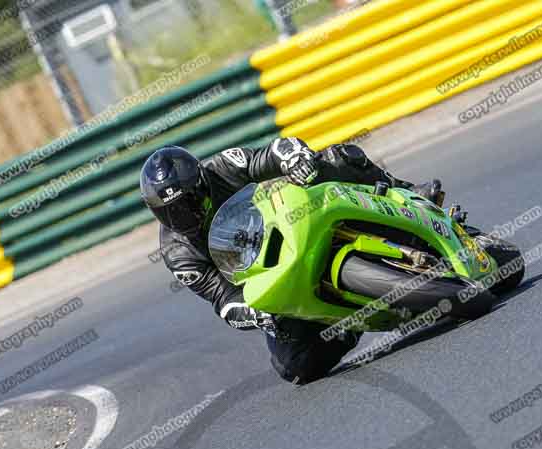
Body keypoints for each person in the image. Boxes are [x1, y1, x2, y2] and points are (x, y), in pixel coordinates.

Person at [140, 137, 442, 384]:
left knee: (336, 159)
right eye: (171, 212)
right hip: (269, 275)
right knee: (293, 367)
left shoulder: (222, 168)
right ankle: (341, 324)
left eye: (189, 202)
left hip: (287, 220)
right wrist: (254, 313)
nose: (185, 216)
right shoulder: (178, 254)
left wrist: (293, 158)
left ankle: (405, 193)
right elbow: (223, 298)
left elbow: (270, 153)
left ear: (202, 184)